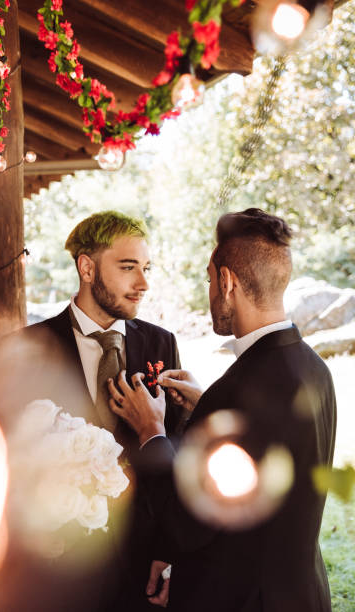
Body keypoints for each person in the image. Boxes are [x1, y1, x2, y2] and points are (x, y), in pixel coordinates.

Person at [108, 208, 337, 612]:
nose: (210, 291)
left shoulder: (237, 391)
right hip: (304, 594)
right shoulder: (314, 368)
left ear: (227, 282)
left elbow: (184, 525)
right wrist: (208, 411)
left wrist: (152, 433)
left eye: (210, 280)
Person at [0, 211, 185, 612]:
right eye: (128, 268)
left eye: (146, 269)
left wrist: (170, 549)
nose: (143, 284)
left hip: (143, 568)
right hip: (58, 569)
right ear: (86, 268)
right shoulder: (28, 349)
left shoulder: (162, 344)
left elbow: (174, 446)